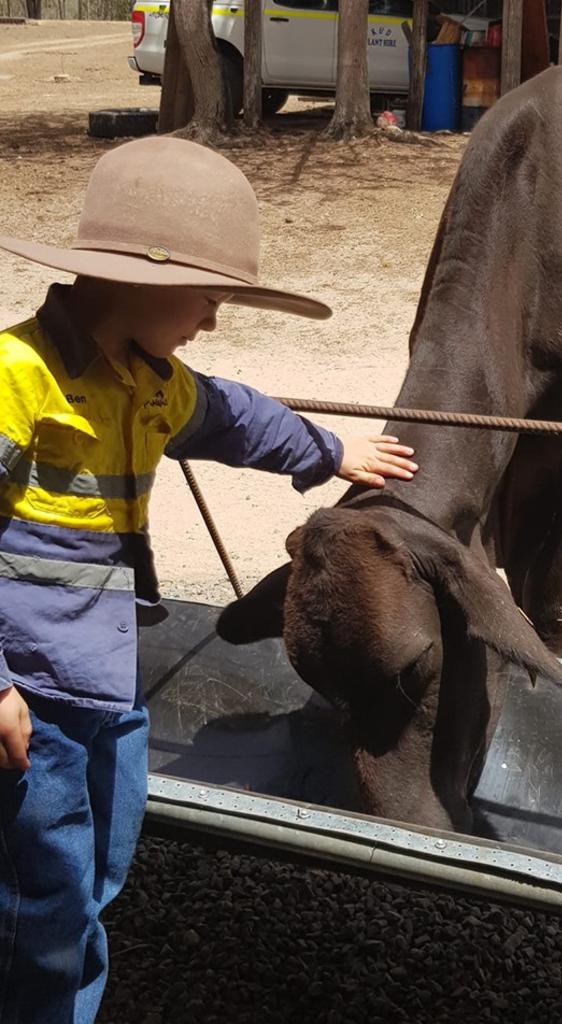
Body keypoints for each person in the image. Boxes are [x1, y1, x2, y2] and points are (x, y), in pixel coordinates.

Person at [0, 135, 418, 1024]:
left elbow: (235, 415)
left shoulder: (154, 383)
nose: (212, 319)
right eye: (209, 296)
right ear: (139, 281)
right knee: (40, 903)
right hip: (29, 698)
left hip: (109, 689)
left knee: (94, 881)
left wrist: (330, 450)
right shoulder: (16, 378)